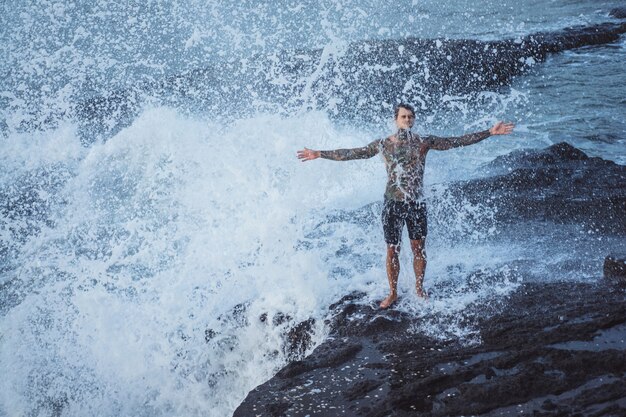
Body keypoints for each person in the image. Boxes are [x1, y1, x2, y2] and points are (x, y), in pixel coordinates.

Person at [297, 104, 514, 309]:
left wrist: (489, 132)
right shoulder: (383, 144)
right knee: (392, 250)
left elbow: (456, 141)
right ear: (396, 120)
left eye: (410, 117)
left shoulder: (424, 142)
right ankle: (393, 292)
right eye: (403, 117)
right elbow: (353, 153)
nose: (407, 119)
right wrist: (319, 153)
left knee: (418, 248)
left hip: (416, 203)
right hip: (393, 204)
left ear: (414, 120)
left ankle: (419, 289)